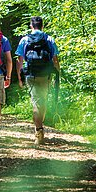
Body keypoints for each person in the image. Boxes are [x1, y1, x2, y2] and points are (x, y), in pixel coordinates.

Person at [15, 16, 60, 144]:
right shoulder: (49, 39)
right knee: (43, 100)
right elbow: (55, 60)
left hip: (31, 75)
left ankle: (38, 131)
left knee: (35, 102)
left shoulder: (25, 39)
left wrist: (20, 77)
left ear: (31, 26)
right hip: (45, 75)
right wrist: (57, 74)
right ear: (42, 26)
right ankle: (40, 128)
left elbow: (19, 60)